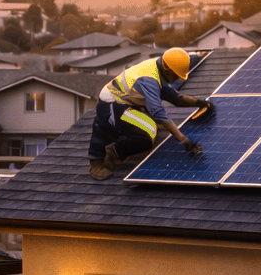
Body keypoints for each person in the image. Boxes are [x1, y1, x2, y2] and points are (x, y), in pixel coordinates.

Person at [89, 48, 214, 180]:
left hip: (128, 100)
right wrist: (184, 140)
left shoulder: (158, 69)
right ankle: (111, 156)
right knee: (146, 136)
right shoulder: (149, 80)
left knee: (151, 127)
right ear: (168, 70)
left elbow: (176, 98)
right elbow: (159, 114)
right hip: (113, 102)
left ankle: (121, 138)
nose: (177, 78)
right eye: (176, 75)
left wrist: (201, 103)